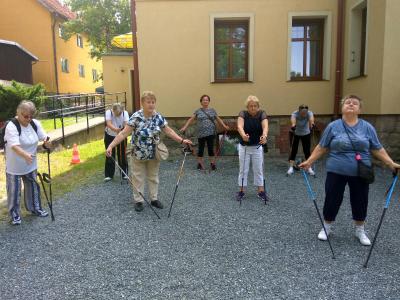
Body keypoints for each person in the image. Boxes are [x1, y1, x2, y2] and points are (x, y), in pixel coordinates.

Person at [300, 95, 400, 246]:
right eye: (348, 102)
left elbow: (377, 148)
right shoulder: (333, 127)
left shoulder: (367, 127)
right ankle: (327, 227)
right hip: (336, 170)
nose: (351, 105)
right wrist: (309, 162)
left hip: (361, 171)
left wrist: (391, 163)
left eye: (355, 103)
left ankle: (360, 230)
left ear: (359, 109)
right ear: (342, 108)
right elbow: (322, 147)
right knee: (332, 199)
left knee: (360, 200)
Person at [106, 91, 193, 212]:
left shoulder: (158, 117)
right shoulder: (136, 117)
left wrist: (182, 140)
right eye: (148, 102)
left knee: (153, 177)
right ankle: (139, 200)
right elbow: (123, 133)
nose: (151, 104)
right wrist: (111, 146)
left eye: (153, 102)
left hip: (154, 153)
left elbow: (168, 131)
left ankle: (154, 199)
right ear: (142, 103)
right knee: (137, 177)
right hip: (137, 153)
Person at [4, 100, 51, 225]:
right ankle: (14, 215)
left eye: (31, 116)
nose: (28, 119)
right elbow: (14, 146)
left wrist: (47, 141)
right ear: (18, 113)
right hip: (15, 166)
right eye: (26, 116)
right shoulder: (12, 126)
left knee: (33, 187)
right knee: (14, 191)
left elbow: (44, 137)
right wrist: (25, 155)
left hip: (30, 164)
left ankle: (35, 209)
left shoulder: (34, 124)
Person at [180, 94, 229, 170]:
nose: (205, 101)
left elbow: (218, 119)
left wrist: (224, 126)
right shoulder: (198, 111)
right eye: (204, 100)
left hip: (211, 133)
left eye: (207, 100)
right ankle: (200, 164)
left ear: (209, 101)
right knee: (201, 149)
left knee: (210, 149)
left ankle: (212, 164)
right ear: (201, 102)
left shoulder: (212, 110)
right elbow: (191, 119)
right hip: (201, 133)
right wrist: (185, 127)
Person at [236, 95, 269, 202]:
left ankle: (261, 191)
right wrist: (243, 135)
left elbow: (265, 126)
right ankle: (241, 191)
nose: (253, 108)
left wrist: (264, 136)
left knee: (258, 169)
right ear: (247, 107)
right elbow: (240, 126)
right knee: (243, 169)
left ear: (258, 106)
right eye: (251, 106)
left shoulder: (262, 114)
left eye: (255, 106)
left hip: (257, 146)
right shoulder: (243, 114)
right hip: (244, 147)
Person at [104, 103, 129, 182]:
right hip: (110, 135)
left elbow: (126, 125)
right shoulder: (108, 112)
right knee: (110, 154)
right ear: (113, 110)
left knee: (122, 154)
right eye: (117, 114)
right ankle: (109, 175)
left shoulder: (125, 113)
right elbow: (109, 124)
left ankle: (124, 173)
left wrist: (121, 132)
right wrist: (116, 130)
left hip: (121, 136)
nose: (118, 115)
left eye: (120, 113)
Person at [287, 104, 315, 176]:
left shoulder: (309, 113)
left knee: (307, 151)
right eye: (302, 113)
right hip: (297, 134)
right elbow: (293, 120)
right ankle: (291, 167)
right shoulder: (295, 113)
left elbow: (311, 119)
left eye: (305, 113)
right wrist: (293, 125)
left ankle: (309, 168)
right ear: (299, 111)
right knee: (294, 151)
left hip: (306, 134)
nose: (304, 114)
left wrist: (312, 124)